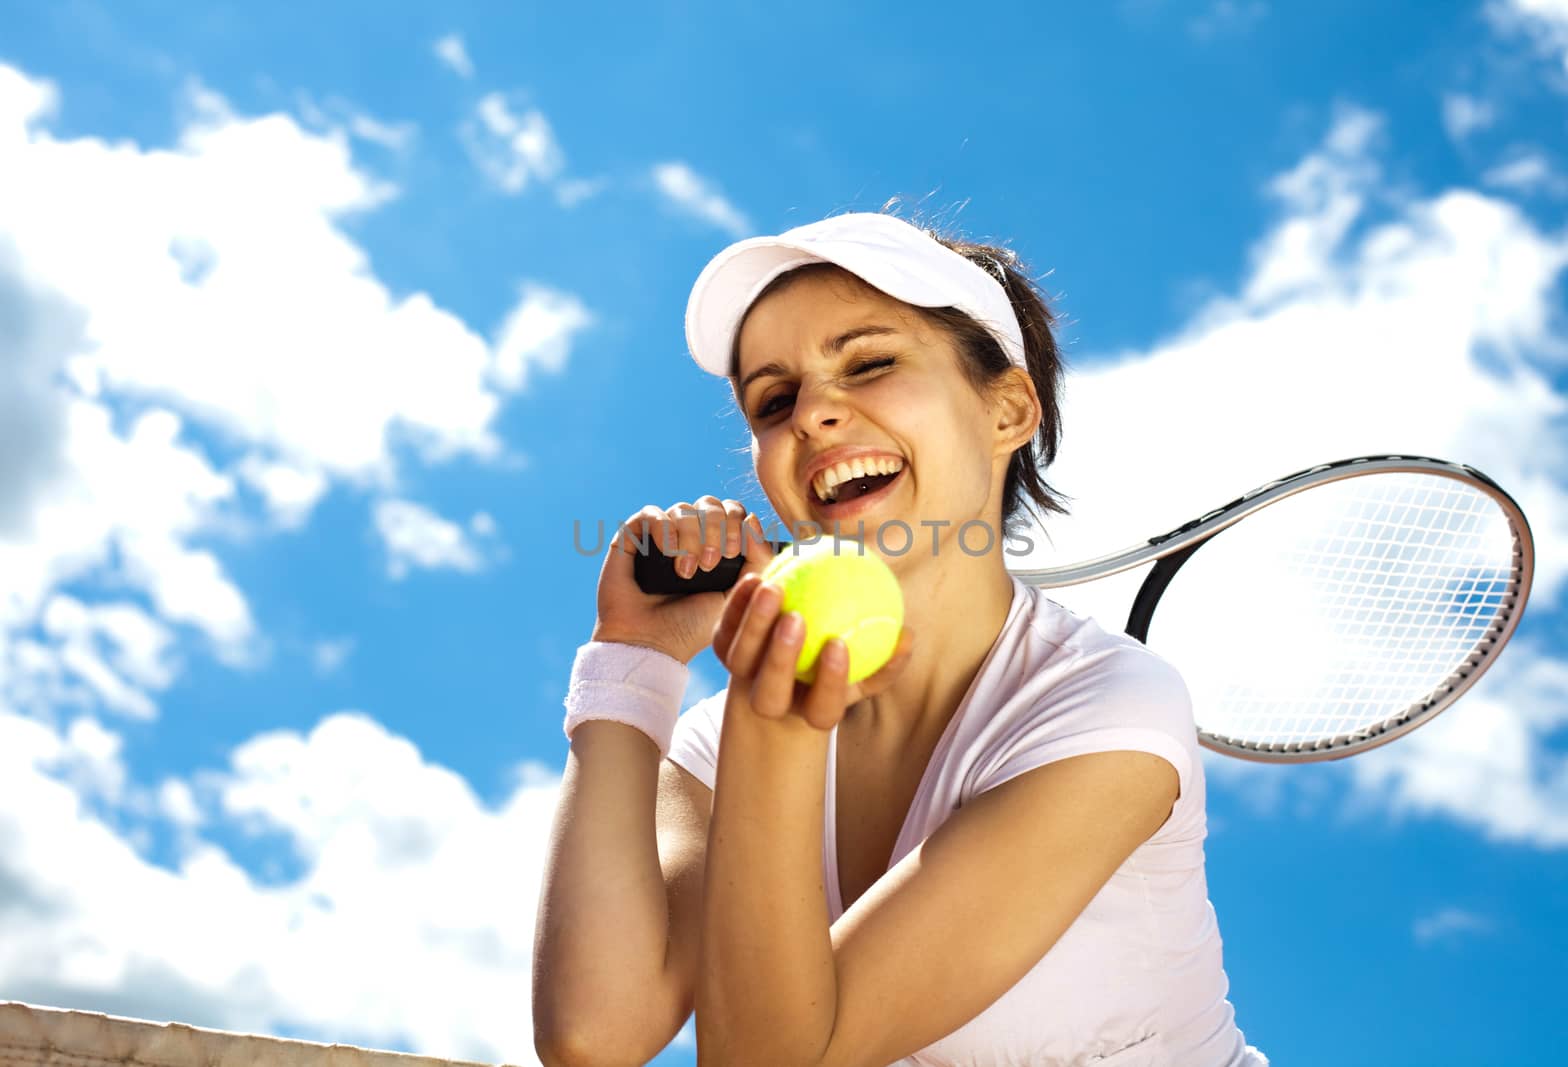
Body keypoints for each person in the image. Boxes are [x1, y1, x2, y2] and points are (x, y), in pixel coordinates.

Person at [533, 212, 1268, 1067]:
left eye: (871, 363)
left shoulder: (1106, 706)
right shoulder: (715, 742)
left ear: (1009, 409)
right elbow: (593, 1036)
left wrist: (778, 734)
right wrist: (633, 660)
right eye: (774, 401)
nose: (813, 414)